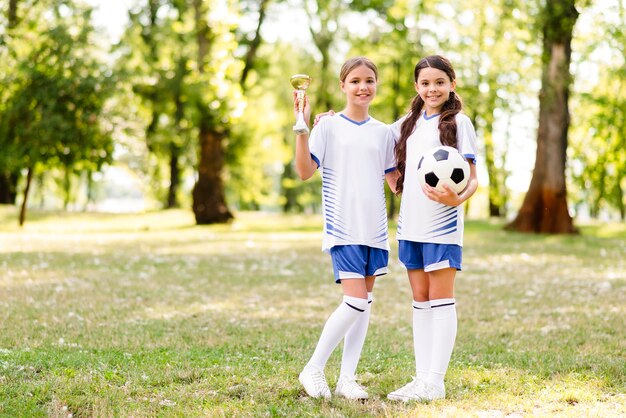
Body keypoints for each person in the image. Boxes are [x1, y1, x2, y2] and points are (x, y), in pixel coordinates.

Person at [292, 56, 397, 400]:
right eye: (355, 81)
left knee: (364, 303)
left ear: (375, 85)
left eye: (369, 80)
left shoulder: (384, 133)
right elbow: (305, 171)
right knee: (354, 302)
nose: (363, 86)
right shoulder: (328, 127)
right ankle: (313, 367)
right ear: (343, 86)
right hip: (343, 227)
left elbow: (395, 181)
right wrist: (303, 127)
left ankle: (347, 379)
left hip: (375, 231)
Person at [386, 55, 479, 402]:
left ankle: (435, 382)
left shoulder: (459, 123)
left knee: (441, 301)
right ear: (417, 87)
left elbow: (472, 178)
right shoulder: (406, 124)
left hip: (442, 227)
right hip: (410, 226)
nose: (432, 89)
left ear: (452, 84)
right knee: (420, 303)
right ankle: (421, 379)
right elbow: (373, 141)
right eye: (425, 83)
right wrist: (329, 120)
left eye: (439, 82)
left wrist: (459, 199)